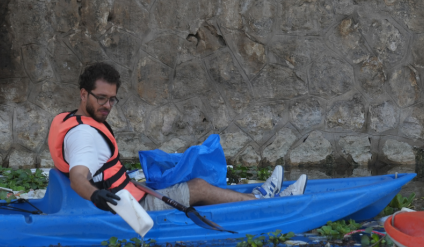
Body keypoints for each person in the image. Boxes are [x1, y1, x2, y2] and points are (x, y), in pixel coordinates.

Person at [48, 62, 307, 213]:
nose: (107, 105)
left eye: (112, 98)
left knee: (179, 173)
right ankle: (266, 203)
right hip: (129, 210)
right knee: (199, 188)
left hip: (127, 194)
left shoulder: (76, 120)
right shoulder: (84, 135)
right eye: (100, 98)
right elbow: (78, 178)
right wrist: (95, 196)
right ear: (84, 94)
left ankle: (254, 196)